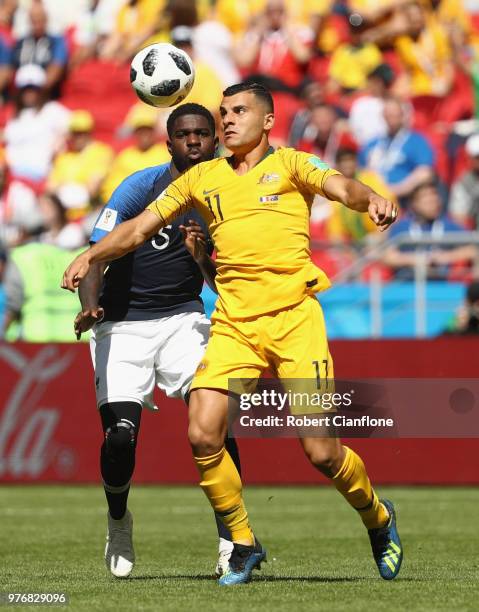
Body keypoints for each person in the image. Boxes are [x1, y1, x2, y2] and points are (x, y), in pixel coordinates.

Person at [62, 82, 402, 586]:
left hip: (293, 320)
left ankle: (377, 517)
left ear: (268, 121)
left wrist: (370, 196)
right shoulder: (201, 179)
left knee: (321, 452)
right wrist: (91, 254)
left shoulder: (292, 165)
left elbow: (340, 186)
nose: (228, 120)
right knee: (202, 431)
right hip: (234, 323)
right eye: (225, 111)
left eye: (239, 111)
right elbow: (136, 228)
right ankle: (242, 542)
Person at [73, 103, 242, 579]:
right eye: (184, 134)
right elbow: (96, 254)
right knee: (120, 438)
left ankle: (233, 539)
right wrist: (90, 305)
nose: (194, 141)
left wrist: (201, 257)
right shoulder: (138, 187)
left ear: (216, 141)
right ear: (168, 143)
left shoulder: (228, 195)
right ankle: (118, 518)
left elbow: (223, 284)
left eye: (203, 134)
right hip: (122, 324)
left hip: (184, 320)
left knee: (215, 426)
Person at [384, 181, 477, 279]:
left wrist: (447, 257)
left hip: (443, 283)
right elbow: (388, 256)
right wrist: (416, 260)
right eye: (427, 201)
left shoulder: (448, 225)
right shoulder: (401, 227)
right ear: (414, 204)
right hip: (407, 282)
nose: (432, 204)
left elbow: (473, 249)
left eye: (434, 199)